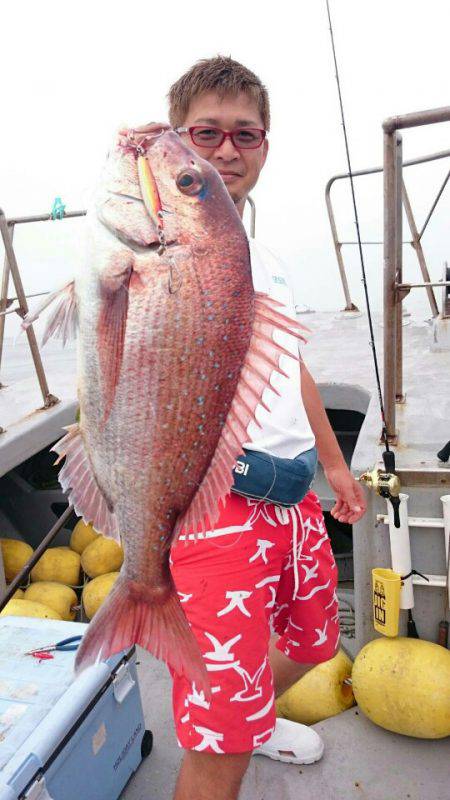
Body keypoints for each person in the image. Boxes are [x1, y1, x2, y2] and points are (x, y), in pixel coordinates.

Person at [131, 56, 366, 800]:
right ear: (176, 139)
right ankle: (237, 724)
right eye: (206, 132)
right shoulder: (150, 245)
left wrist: (332, 466)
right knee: (219, 745)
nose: (228, 150)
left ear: (266, 145)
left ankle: (253, 714)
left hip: (294, 498)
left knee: (317, 640)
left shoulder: (268, 260)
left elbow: (291, 364)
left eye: (247, 134)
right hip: (212, 508)